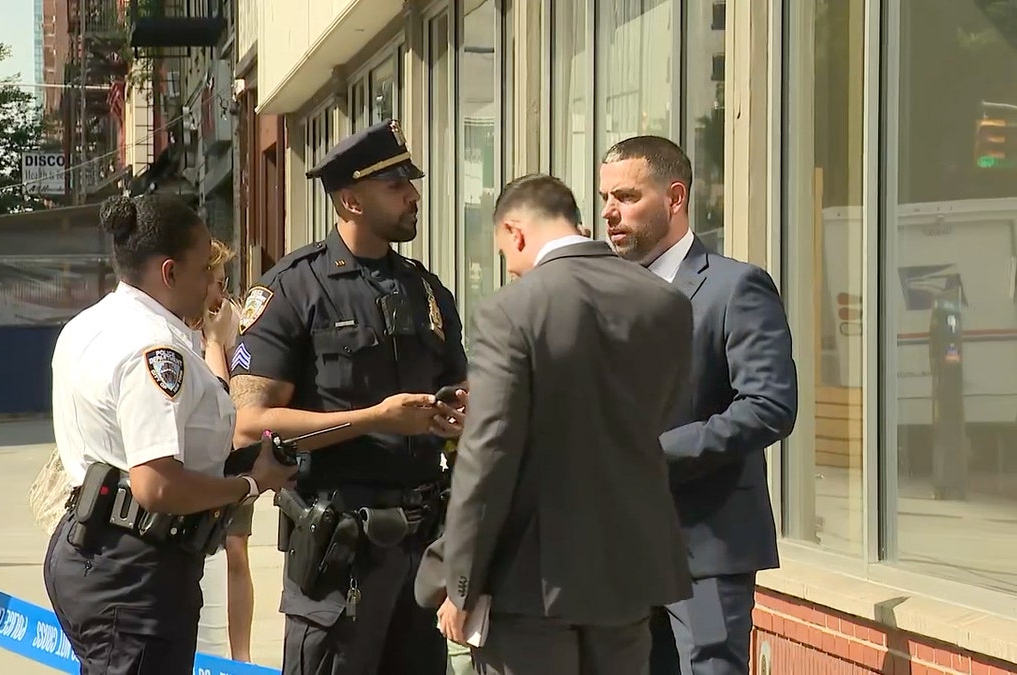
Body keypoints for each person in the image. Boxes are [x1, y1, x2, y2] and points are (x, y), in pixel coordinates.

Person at [413, 174, 694, 675]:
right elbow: (660, 416)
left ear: (515, 232)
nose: (512, 266)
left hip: (531, 578)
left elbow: (489, 457)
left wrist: (461, 582)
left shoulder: (512, 310)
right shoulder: (665, 301)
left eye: (505, 253)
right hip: (627, 570)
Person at [229, 117, 469, 675]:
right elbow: (250, 422)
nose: (413, 196)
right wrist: (373, 419)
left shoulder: (425, 289)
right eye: (395, 186)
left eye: (410, 182)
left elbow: (458, 385)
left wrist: (462, 410)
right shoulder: (291, 289)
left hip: (420, 553)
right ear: (350, 201)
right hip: (340, 557)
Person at [43, 194, 296, 675]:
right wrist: (250, 485)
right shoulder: (157, 349)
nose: (212, 288)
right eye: (204, 270)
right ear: (169, 273)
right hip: (135, 573)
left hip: (92, 552)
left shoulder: (88, 324)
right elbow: (156, 485)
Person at [598, 136, 798, 675]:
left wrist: (654, 454)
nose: (610, 213)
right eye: (604, 199)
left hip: (708, 544)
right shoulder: (605, 296)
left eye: (626, 196)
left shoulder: (736, 287)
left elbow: (769, 405)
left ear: (675, 196)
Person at [186, 238, 257, 663]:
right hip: (189, 458)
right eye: (215, 283)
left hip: (228, 451)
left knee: (235, 550)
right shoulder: (171, 324)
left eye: (225, 283)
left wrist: (216, 339)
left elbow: (228, 397)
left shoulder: (228, 319)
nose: (221, 293)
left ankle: (240, 657)